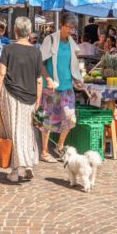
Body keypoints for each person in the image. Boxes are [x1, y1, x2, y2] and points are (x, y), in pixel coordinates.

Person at [0, 16, 42, 182]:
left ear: (15, 30)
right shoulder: (36, 51)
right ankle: (28, 163)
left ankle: (15, 170)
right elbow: (39, 80)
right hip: (30, 96)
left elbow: (1, 74)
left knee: (13, 131)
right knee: (27, 130)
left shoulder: (8, 49)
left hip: (11, 93)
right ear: (29, 33)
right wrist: (38, 100)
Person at [38, 13, 83, 162]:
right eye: (69, 27)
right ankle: (44, 152)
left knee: (70, 119)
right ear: (61, 25)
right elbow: (40, 63)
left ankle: (59, 146)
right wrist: (48, 79)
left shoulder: (71, 43)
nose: (71, 30)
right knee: (48, 119)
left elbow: (72, 65)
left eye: (73, 28)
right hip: (51, 87)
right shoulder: (50, 39)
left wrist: (77, 79)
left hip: (67, 86)